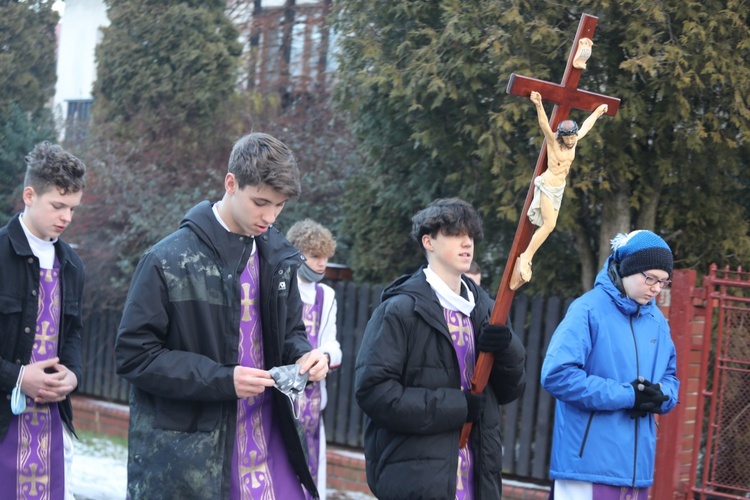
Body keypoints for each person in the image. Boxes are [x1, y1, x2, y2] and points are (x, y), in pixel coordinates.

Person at [114, 133, 329, 499]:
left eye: (279, 206)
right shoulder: (166, 259)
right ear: (231, 183)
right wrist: (221, 379)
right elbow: (134, 356)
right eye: (260, 202)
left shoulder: (279, 258)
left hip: (271, 435)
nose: (270, 216)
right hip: (195, 455)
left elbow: (291, 331)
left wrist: (304, 356)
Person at [354, 198, 526, 499]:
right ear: (428, 241)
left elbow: (510, 390)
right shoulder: (400, 310)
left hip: (478, 476)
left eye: (470, 235)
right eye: (454, 234)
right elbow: (375, 393)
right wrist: (456, 407)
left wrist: (508, 348)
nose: (466, 243)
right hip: (419, 478)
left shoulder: (488, 309)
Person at [540, 230, 679, 499]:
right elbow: (557, 375)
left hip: (638, 471)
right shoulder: (587, 309)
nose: (656, 288)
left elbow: (671, 376)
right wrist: (629, 395)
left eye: (663, 282)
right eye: (650, 278)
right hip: (586, 467)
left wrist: (662, 396)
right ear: (627, 269)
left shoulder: (658, 322)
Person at [0, 142, 86, 499]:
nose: (66, 216)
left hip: (51, 423)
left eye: (72, 208)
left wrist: (73, 373)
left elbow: (74, 333)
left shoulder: (73, 265)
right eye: (58, 205)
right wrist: (18, 376)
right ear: (29, 195)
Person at [512, 90, 609, 289]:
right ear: (562, 137)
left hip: (560, 188)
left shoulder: (574, 142)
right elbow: (544, 126)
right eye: (569, 138)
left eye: (573, 137)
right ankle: (526, 256)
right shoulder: (554, 143)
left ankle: (528, 255)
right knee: (549, 225)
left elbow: (586, 127)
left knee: (550, 225)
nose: (572, 140)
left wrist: (598, 113)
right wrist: (539, 104)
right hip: (548, 186)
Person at [286, 219, 343, 500]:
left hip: (313, 400)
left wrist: (325, 355)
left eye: (326, 257)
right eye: (315, 256)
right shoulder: (282, 288)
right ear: (297, 254)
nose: (322, 264)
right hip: (280, 396)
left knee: (311, 469)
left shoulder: (327, 295)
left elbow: (333, 343)